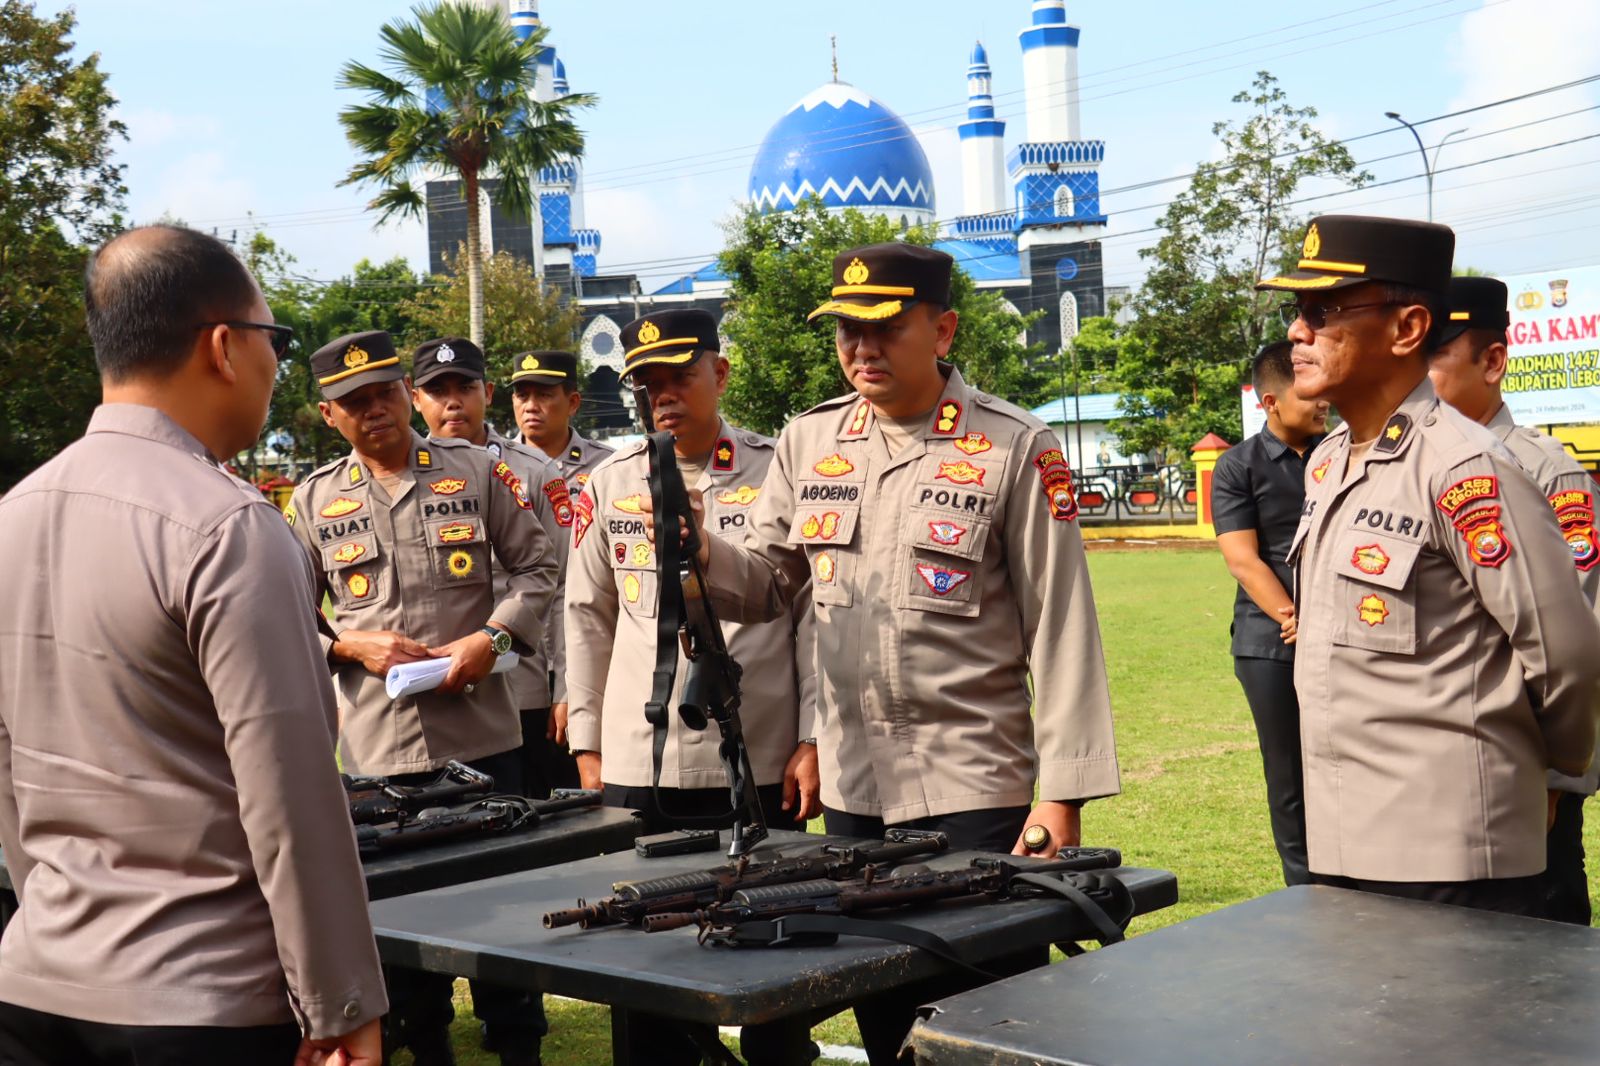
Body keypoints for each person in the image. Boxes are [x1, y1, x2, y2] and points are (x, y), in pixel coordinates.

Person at [687, 244, 1121, 1063]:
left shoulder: (1013, 447)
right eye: (848, 330)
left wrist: (1063, 795)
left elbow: (1063, 626)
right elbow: (769, 588)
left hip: (969, 781)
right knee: (881, 1006)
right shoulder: (810, 441)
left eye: (885, 327)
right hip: (857, 785)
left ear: (944, 328)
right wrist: (698, 557)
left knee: (985, 1019)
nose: (862, 348)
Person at [0, 224, 386, 1065]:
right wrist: (340, 1001)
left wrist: (55, 918)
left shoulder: (12, 516)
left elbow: (9, 770)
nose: (277, 366)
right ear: (223, 346)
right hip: (201, 999)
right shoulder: (228, 526)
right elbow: (290, 795)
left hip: (36, 982)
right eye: (275, 341)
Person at [1259, 214, 1600, 917]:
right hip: (1350, 834)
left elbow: (1566, 655)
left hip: (1453, 847)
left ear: (1408, 328)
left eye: (1321, 312)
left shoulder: (1466, 467)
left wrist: (1550, 778)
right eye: (1296, 312)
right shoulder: (1328, 462)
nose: (1297, 332)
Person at [285, 330, 558, 1066]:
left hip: (484, 744)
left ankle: (518, 1051)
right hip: (378, 756)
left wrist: (491, 645)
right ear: (328, 415)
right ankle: (426, 1048)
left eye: (383, 392)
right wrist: (345, 645)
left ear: (407, 392)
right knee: (400, 942)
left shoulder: (477, 470)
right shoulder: (312, 502)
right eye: (353, 402)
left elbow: (539, 573)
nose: (374, 410)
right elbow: (286, 620)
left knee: (505, 923)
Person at [563, 308, 821, 1066]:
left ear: (722, 373)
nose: (663, 394)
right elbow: (585, 613)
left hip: (762, 748)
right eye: (648, 383)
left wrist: (812, 739)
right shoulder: (610, 481)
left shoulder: (781, 468)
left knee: (780, 939)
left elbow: (809, 615)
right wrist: (588, 745)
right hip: (647, 757)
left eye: (680, 375)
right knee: (643, 951)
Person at [1427, 275, 1600, 925]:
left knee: (1546, 913)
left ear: (1493, 362)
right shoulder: (1410, 462)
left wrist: (1557, 773)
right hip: (1442, 750)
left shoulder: (1543, 466)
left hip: (1524, 757)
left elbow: (1581, 617)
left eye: (1435, 360)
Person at [411, 337, 576, 803]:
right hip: (432, 695)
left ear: (487, 393)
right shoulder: (396, 478)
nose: (452, 402)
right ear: (414, 397)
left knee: (539, 832)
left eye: (464, 387)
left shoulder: (534, 472)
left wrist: (568, 689)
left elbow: (563, 587)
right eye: (436, 389)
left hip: (524, 687)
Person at [1211, 341, 1328, 886]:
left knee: (1342, 764)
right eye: (1310, 393)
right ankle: (1306, 889)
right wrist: (1293, 616)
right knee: (1289, 774)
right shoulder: (1238, 466)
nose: (1323, 401)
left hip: (1340, 634)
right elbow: (1242, 558)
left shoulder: (1341, 454)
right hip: (1270, 643)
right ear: (1272, 401)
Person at [510, 349, 615, 492]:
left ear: (572, 403)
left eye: (544, 395)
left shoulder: (607, 465)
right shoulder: (495, 464)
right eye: (522, 396)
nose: (530, 407)